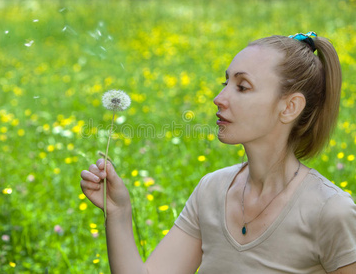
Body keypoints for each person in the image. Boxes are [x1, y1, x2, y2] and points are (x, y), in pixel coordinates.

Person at [80, 32, 356, 273]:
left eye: (242, 87)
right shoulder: (211, 190)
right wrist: (118, 212)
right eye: (225, 83)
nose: (219, 98)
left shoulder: (330, 212)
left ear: (289, 107)